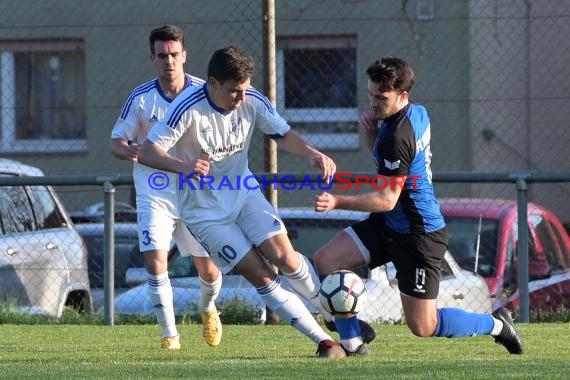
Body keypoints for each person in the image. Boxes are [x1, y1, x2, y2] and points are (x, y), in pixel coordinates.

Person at [137, 45, 355, 358]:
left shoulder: (251, 98)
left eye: (245, 88)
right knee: (262, 274)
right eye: (234, 91)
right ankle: (325, 341)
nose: (241, 97)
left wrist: (312, 152)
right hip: (205, 214)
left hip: (244, 192)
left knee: (287, 257)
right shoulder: (187, 109)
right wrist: (185, 167)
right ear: (212, 84)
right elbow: (147, 151)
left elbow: (281, 133)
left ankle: (335, 316)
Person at [312, 56, 524, 356]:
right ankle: (354, 341)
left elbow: (387, 198)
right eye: (370, 95)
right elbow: (387, 166)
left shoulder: (398, 135)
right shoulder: (416, 113)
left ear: (402, 95)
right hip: (389, 223)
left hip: (418, 235)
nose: (373, 103)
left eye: (381, 98)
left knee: (423, 326)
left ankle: (497, 324)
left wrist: (337, 200)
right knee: (326, 260)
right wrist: (372, 130)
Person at [109, 25, 223, 350]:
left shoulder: (205, 93)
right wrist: (129, 149)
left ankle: (208, 307)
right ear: (153, 58)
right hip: (154, 192)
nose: (169, 61)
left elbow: (225, 134)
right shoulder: (141, 98)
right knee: (155, 262)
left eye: (174, 54)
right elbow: (115, 142)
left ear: (184, 55)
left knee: (209, 269)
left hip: (195, 192)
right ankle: (169, 335)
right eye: (162, 55)